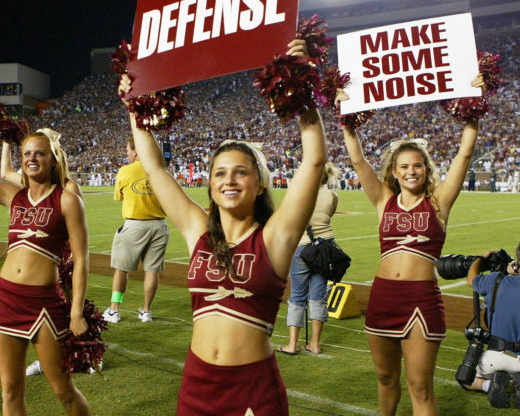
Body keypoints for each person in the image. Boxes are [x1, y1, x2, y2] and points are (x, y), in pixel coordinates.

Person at [126, 39, 326, 415]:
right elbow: (154, 167)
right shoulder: (197, 230)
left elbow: (313, 162)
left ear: (260, 183)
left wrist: (302, 89)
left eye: (240, 172)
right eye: (219, 173)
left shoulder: (275, 237)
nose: (228, 180)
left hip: (252, 389)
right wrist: (133, 107)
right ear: (211, 185)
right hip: (197, 384)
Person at [340, 76, 482, 416]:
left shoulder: (439, 202)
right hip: (383, 296)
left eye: (417, 165)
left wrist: (473, 111)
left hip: (421, 299)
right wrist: (346, 121)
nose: (411, 171)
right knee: (386, 378)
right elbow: (359, 162)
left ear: (425, 168)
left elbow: (463, 155)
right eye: (404, 166)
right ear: (395, 171)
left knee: (420, 386)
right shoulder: (383, 200)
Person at [0, 113, 91, 415]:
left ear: (53, 160)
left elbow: (81, 260)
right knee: (10, 391)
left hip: (44, 303)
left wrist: (76, 311)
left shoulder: (67, 200)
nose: (32, 159)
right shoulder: (11, 196)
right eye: (27, 154)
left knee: (63, 389)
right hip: (6, 299)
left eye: (40, 154)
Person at [102, 137, 169, 323]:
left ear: (136, 151)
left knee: (121, 270)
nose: (127, 154)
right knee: (152, 271)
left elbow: (119, 196)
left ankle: (115, 309)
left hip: (134, 225)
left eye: (129, 151)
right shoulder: (160, 169)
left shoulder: (125, 170)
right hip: (159, 225)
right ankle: (146, 312)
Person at [279, 161, 339, 355]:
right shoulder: (332, 196)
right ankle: (315, 344)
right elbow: (328, 215)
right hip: (326, 247)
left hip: (304, 247)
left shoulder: (300, 194)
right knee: (318, 296)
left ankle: (292, 344)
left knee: (297, 295)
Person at [464, 243, 520, 408]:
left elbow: (471, 279)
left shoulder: (495, 280)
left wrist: (481, 259)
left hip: (496, 359)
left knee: (466, 377)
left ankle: (488, 386)